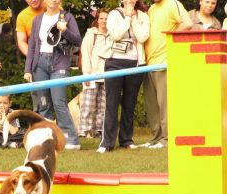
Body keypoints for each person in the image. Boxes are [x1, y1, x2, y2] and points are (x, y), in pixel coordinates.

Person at [24, 0, 82, 150]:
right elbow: (32, 46)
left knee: (59, 102)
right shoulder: (37, 19)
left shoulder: (67, 17)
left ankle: (71, 140)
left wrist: (65, 31)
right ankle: (47, 139)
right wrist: (28, 69)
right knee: (43, 103)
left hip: (59, 64)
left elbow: (77, 40)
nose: (53, 0)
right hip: (39, 64)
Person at [96, 0, 149, 153]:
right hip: (114, 61)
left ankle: (126, 139)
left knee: (129, 104)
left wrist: (133, 18)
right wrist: (126, 17)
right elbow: (116, 35)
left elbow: (142, 37)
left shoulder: (143, 16)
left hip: (136, 63)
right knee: (111, 103)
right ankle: (107, 142)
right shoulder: (113, 14)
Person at [142, 0, 193, 149]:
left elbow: (187, 23)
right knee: (152, 106)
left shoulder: (172, 3)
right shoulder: (151, 8)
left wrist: (169, 39)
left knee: (165, 105)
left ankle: (167, 139)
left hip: (164, 61)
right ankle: (156, 137)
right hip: (148, 64)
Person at [79, 9, 109, 139]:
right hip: (92, 73)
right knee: (88, 104)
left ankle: (99, 129)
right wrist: (87, 74)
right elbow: (86, 53)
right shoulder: (92, 34)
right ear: (97, 20)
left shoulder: (113, 35)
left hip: (107, 74)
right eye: (102, 18)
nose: (104, 21)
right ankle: (83, 130)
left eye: (106, 19)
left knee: (103, 105)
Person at [16, 0, 46, 114]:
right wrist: (33, 58)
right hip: (36, 62)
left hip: (56, 61)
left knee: (59, 102)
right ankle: (41, 128)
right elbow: (21, 41)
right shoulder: (22, 16)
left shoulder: (53, 6)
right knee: (40, 101)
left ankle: (63, 131)